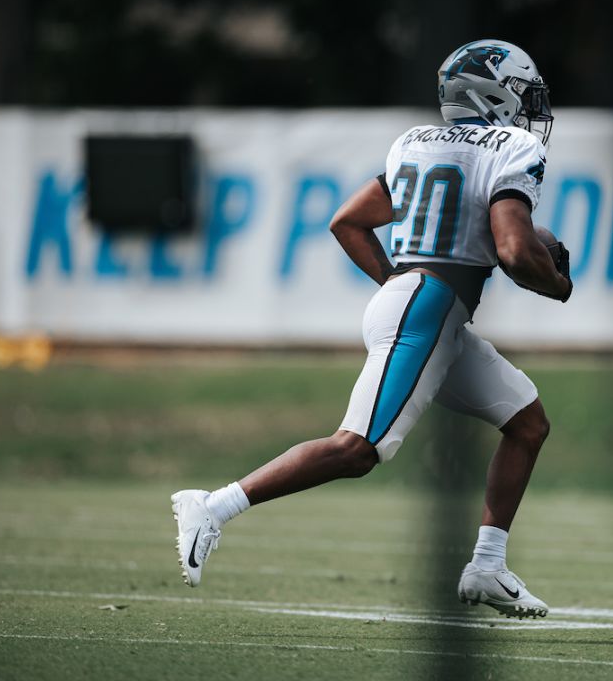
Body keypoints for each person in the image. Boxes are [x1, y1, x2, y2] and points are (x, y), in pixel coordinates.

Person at [171, 39, 571, 619]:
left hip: (421, 305)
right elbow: (512, 248)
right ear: (496, 92)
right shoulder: (513, 144)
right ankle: (214, 504)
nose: (532, 109)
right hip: (428, 307)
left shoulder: (416, 140)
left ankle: (487, 566)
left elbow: (348, 221)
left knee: (527, 423)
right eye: (525, 95)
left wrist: (394, 283)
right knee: (358, 449)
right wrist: (556, 282)